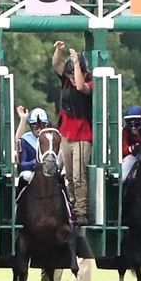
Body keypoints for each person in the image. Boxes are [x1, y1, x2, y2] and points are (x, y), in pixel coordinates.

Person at [51, 42, 93, 226]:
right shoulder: (67, 78)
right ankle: (73, 206)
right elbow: (56, 64)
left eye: (74, 74)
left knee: (78, 175)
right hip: (66, 134)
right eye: (69, 75)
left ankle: (82, 211)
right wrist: (59, 51)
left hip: (83, 135)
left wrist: (77, 64)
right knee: (68, 175)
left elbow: (81, 87)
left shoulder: (90, 81)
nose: (72, 79)